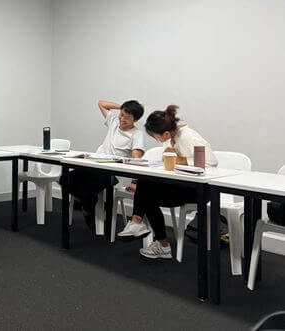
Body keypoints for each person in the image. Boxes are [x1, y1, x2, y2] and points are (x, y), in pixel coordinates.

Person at [118, 105, 218, 259]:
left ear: (165, 133)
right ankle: (143, 228)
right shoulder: (171, 137)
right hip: (182, 185)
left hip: (199, 190)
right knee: (146, 188)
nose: (157, 140)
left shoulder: (189, 137)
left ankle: (146, 231)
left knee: (146, 193)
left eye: (156, 137)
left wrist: (182, 160)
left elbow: (211, 163)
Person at [64, 100, 145, 228]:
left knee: (90, 185)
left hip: (113, 173)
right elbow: (101, 103)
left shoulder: (136, 134)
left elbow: (137, 159)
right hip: (95, 165)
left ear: (135, 120)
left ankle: (88, 206)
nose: (122, 119)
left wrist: (135, 181)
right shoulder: (114, 121)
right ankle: (88, 203)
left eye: (127, 117)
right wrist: (123, 108)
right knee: (65, 178)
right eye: (121, 115)